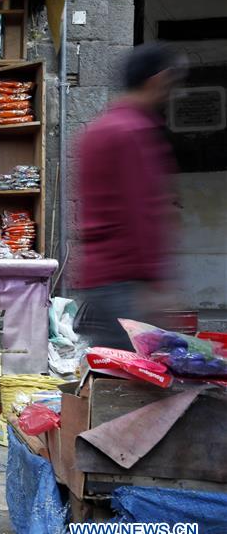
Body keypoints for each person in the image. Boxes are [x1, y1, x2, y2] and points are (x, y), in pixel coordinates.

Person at [73, 43, 185, 349]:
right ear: (158, 80)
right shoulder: (133, 132)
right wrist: (155, 283)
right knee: (136, 379)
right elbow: (142, 214)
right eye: (171, 82)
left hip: (101, 277)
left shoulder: (98, 130)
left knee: (110, 372)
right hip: (126, 282)